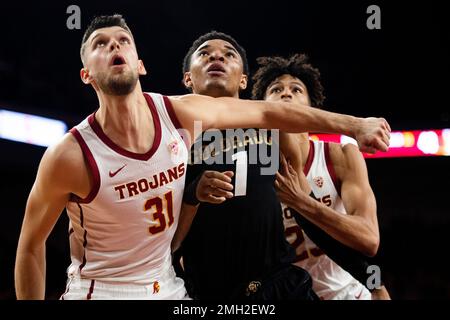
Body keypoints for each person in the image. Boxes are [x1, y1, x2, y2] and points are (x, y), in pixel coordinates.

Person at [14, 14, 390, 299]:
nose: (114, 47)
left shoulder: (216, 120)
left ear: (140, 63)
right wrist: (193, 193)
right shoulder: (81, 152)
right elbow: (33, 246)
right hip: (159, 287)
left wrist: (354, 126)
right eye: (100, 43)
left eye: (123, 40)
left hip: (228, 284)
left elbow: (269, 115)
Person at [171, 32, 390, 300]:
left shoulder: (275, 133)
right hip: (214, 290)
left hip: (283, 286)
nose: (217, 56)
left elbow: (311, 219)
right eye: (204, 53)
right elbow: (169, 243)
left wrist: (372, 281)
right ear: (187, 78)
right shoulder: (171, 135)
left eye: (229, 53)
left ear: (243, 80)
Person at [251, 53, 391, 299]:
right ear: (261, 106)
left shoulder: (339, 155)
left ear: (311, 109)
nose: (286, 94)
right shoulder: (251, 169)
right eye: (275, 89)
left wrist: (302, 202)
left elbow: (369, 239)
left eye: (296, 89)